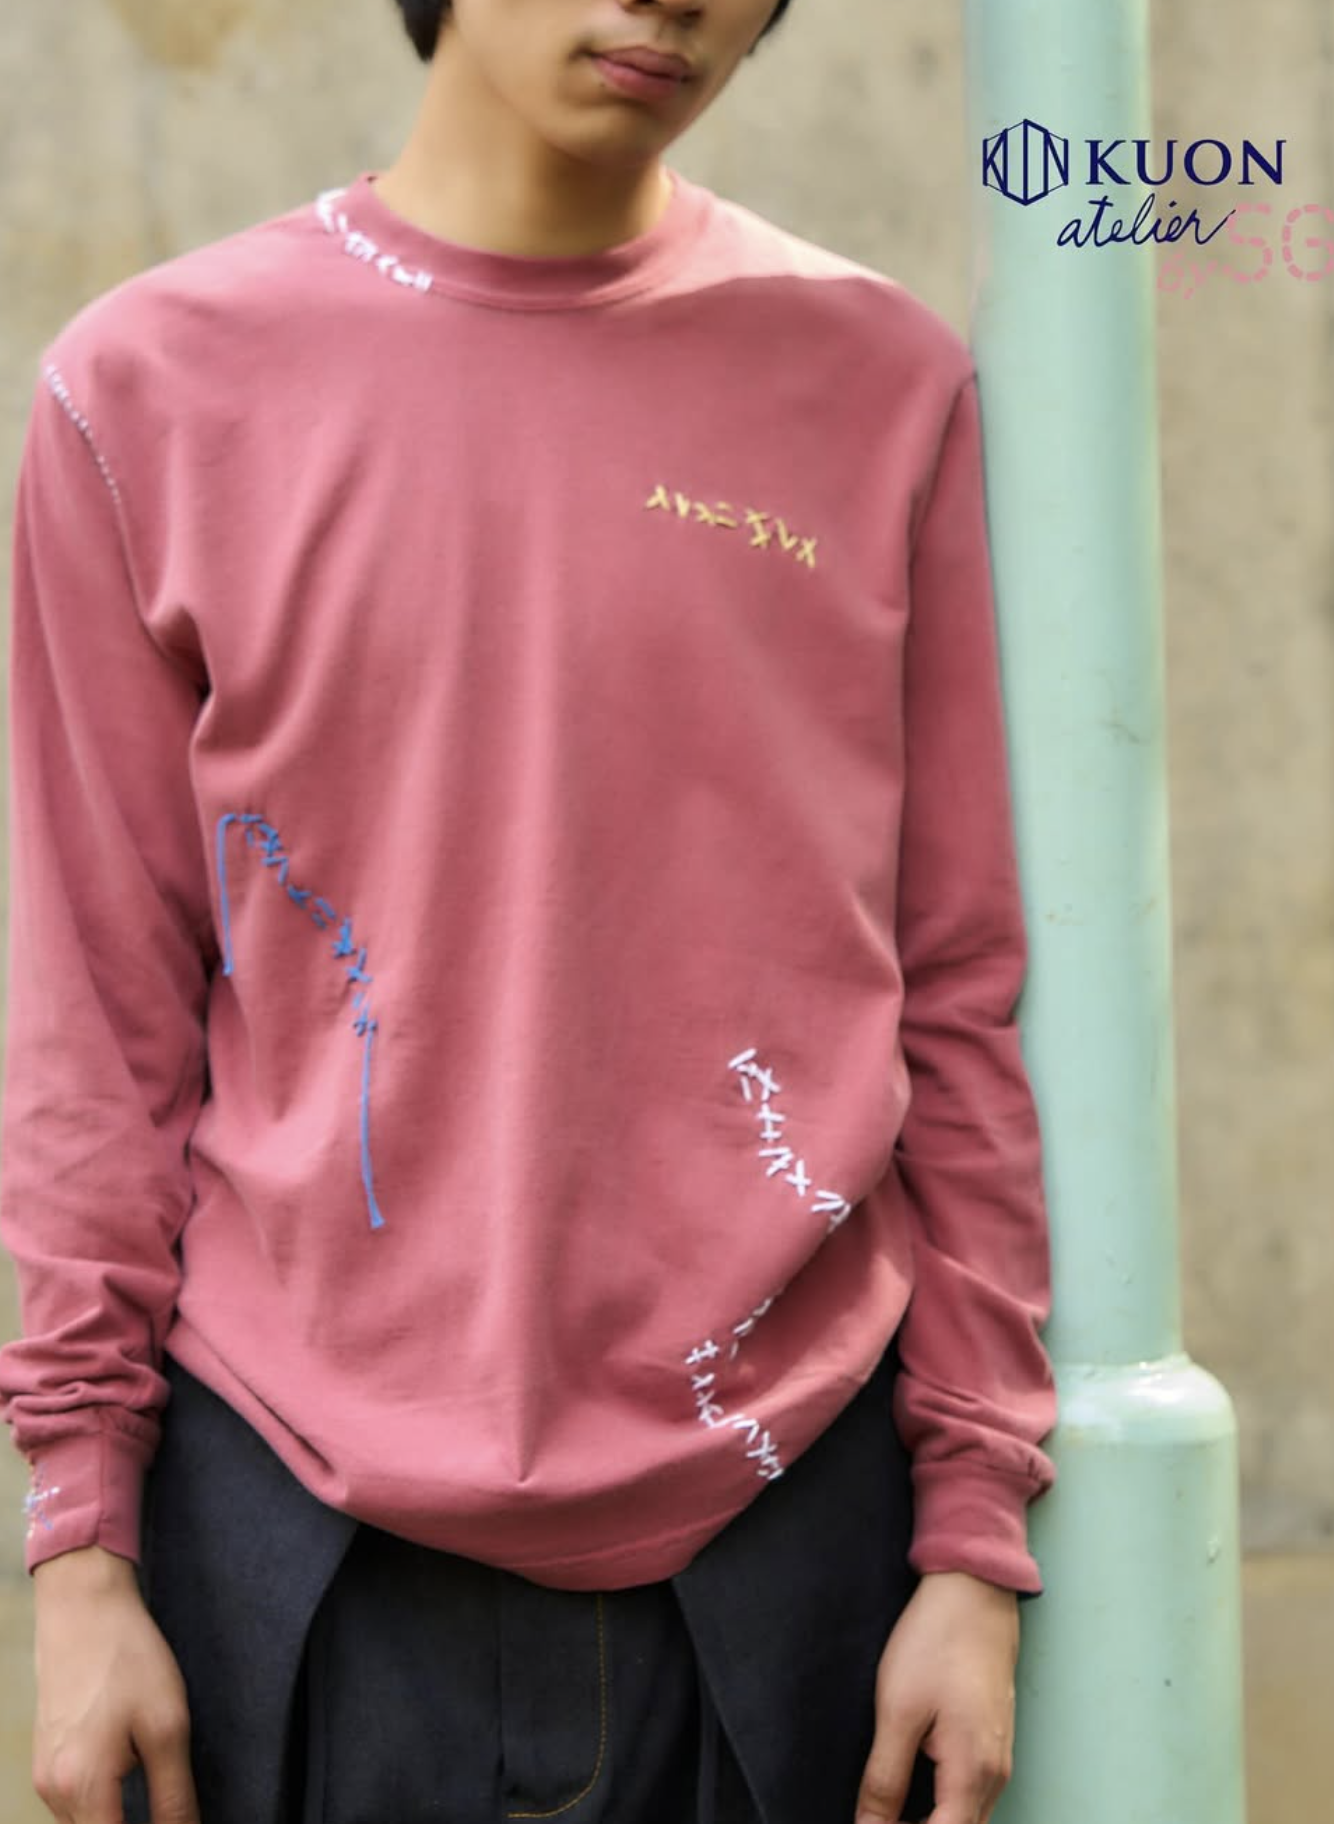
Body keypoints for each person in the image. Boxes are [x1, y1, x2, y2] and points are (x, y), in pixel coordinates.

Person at [0, 1, 1058, 1820]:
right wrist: (79, 1541)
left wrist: (971, 1534)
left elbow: (953, 990)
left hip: (794, 1521)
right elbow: (96, 1015)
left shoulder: (880, 386)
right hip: (294, 1525)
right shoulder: (151, 388)